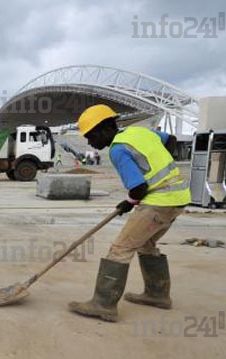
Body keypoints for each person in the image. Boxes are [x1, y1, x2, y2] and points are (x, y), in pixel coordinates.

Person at [69, 104, 190, 322]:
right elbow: (170, 140)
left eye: (90, 136)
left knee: (120, 249)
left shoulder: (118, 149)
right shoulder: (139, 132)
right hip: (178, 198)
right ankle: (157, 294)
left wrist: (128, 203)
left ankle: (103, 304)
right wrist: (159, 162)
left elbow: (138, 189)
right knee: (146, 244)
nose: (89, 143)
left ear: (104, 129)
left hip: (158, 202)